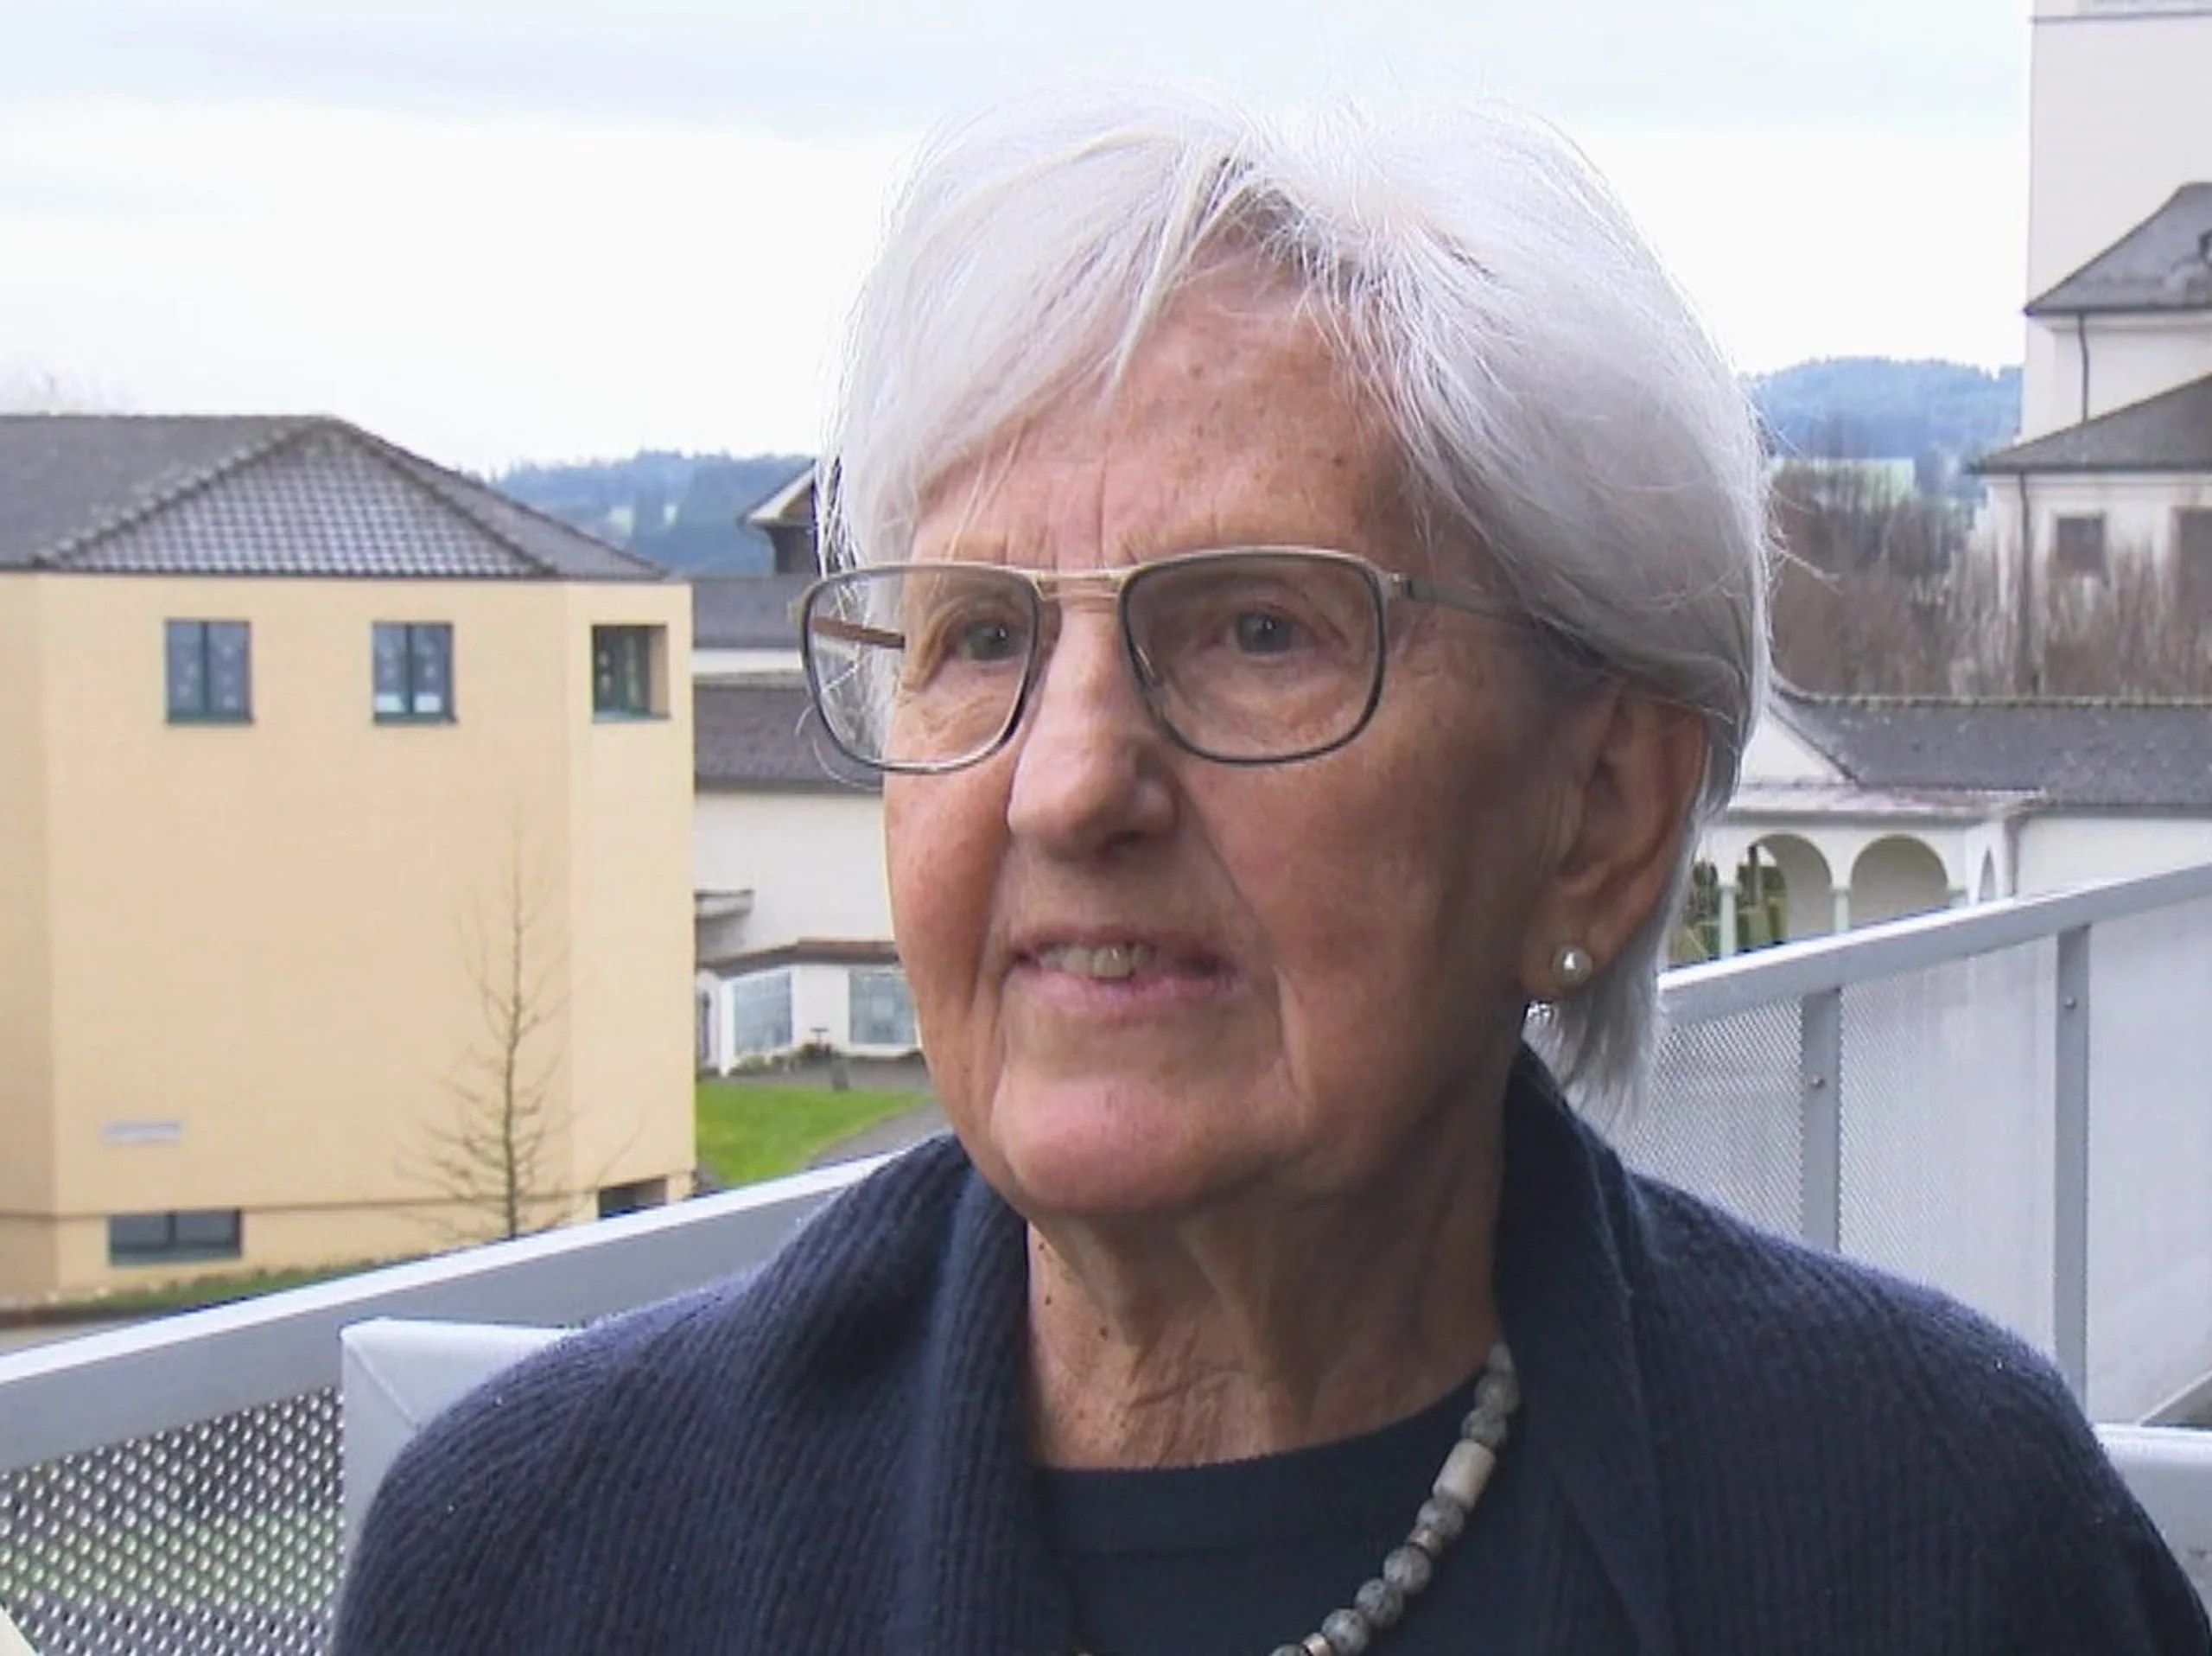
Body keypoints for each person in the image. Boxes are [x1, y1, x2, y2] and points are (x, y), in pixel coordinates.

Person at [333, 92, 2211, 1655]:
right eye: (977, 635)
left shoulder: (1930, 1537)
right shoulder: (549, 1564)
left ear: (1599, 815)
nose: (1069, 784)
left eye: (1251, 628)